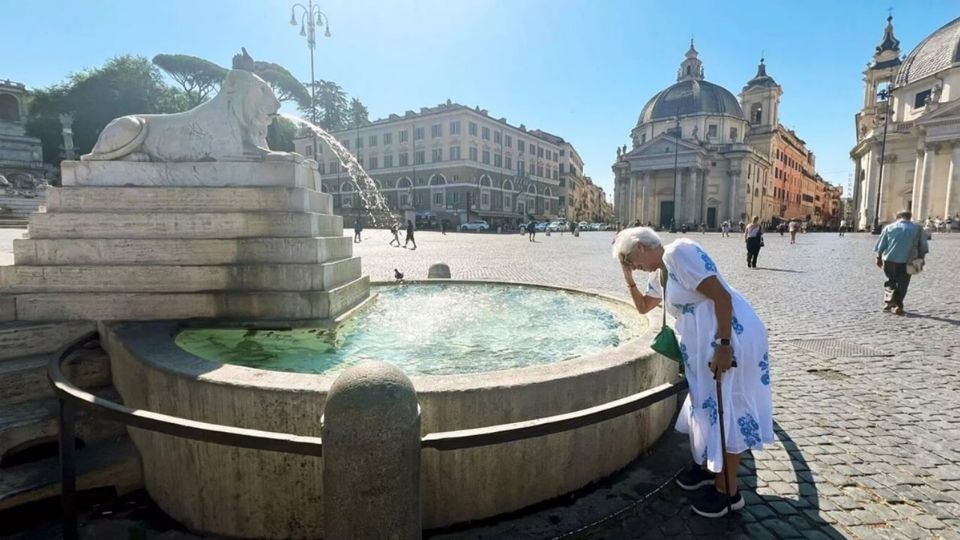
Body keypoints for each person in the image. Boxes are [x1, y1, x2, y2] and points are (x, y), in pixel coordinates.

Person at [614, 227, 773, 517]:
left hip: (729, 338)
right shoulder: (659, 274)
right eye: (627, 263)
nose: (632, 265)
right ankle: (707, 467)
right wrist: (627, 276)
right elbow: (642, 307)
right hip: (702, 344)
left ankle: (729, 490)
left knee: (731, 407)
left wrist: (724, 345)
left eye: (629, 258)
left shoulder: (678, 252)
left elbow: (721, 297)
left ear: (640, 246)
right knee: (707, 405)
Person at [875, 210, 929, 315]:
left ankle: (890, 300)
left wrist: (878, 257)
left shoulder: (889, 228)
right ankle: (898, 305)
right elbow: (923, 246)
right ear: (910, 217)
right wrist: (922, 258)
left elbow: (881, 245)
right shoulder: (918, 229)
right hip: (909, 260)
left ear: (898, 217)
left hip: (889, 259)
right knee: (903, 283)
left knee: (891, 281)